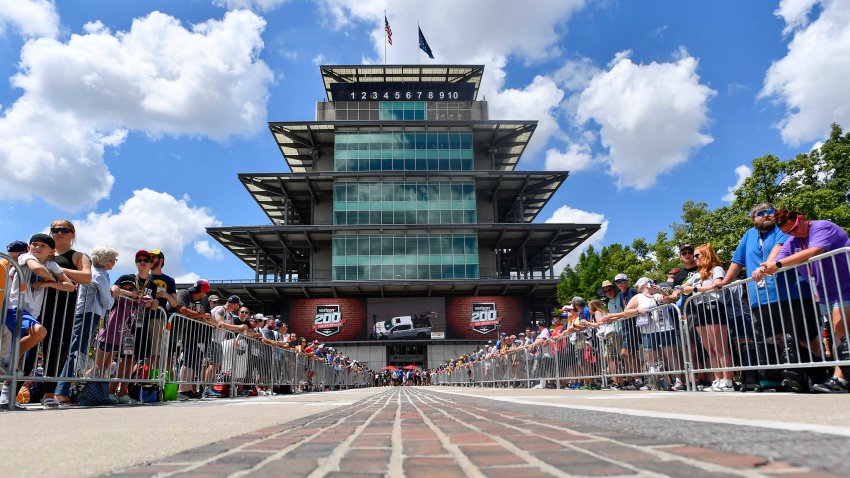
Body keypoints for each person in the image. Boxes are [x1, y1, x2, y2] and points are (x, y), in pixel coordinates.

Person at [761, 208, 850, 393]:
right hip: (826, 292)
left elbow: (815, 250)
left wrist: (777, 264)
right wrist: (766, 267)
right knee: (838, 335)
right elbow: (778, 259)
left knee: (839, 332)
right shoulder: (793, 240)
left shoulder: (822, 227)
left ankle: (839, 378)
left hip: (845, 286)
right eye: (787, 232)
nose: (793, 233)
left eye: (794, 228)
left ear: (801, 218)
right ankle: (839, 377)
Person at [2, 234, 75, 409]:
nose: (37, 247)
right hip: (15, 308)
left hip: (30, 312)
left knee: (20, 360)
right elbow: (37, 269)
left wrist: (48, 284)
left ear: (52, 251)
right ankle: (7, 357)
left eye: (43, 245)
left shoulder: (51, 263)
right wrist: (50, 278)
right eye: (34, 244)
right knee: (40, 332)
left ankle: (6, 399)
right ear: (29, 247)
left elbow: (70, 286)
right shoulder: (26, 257)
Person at [35, 220, 92, 408]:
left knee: (56, 351)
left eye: (64, 230)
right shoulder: (42, 252)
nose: (59, 232)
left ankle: (49, 394)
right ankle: (12, 391)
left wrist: (56, 269)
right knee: (29, 350)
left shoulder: (78, 255)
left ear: (72, 234)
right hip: (36, 304)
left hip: (63, 307)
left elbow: (86, 277)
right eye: (55, 229)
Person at [55, 246, 118, 404]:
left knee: (78, 351)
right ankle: (61, 391)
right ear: (108, 261)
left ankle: (63, 390)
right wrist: (114, 296)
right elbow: (107, 302)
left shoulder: (95, 273)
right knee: (77, 352)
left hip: (86, 313)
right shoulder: (101, 275)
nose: (114, 263)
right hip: (89, 313)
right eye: (113, 260)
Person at [682, 243, 735, 391]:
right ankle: (717, 379)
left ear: (706, 255)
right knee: (709, 349)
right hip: (700, 309)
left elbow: (717, 285)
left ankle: (728, 380)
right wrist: (689, 289)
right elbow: (684, 288)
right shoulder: (697, 275)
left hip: (714, 306)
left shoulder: (716, 269)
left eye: (697, 255)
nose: (694, 258)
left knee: (720, 348)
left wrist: (695, 289)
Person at [164, 279, 213, 399]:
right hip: (169, 329)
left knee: (189, 360)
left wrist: (200, 315)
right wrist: (200, 315)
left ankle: (185, 389)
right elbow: (182, 309)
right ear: (203, 292)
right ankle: (180, 390)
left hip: (180, 332)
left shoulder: (195, 300)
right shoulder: (184, 293)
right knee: (170, 360)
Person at [203, 295, 248, 398]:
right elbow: (221, 323)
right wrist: (238, 327)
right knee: (212, 365)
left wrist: (241, 329)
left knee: (216, 365)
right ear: (235, 304)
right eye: (238, 305)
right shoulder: (221, 309)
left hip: (219, 342)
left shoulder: (230, 314)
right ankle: (206, 388)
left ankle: (209, 388)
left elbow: (231, 329)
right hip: (212, 339)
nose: (238, 308)